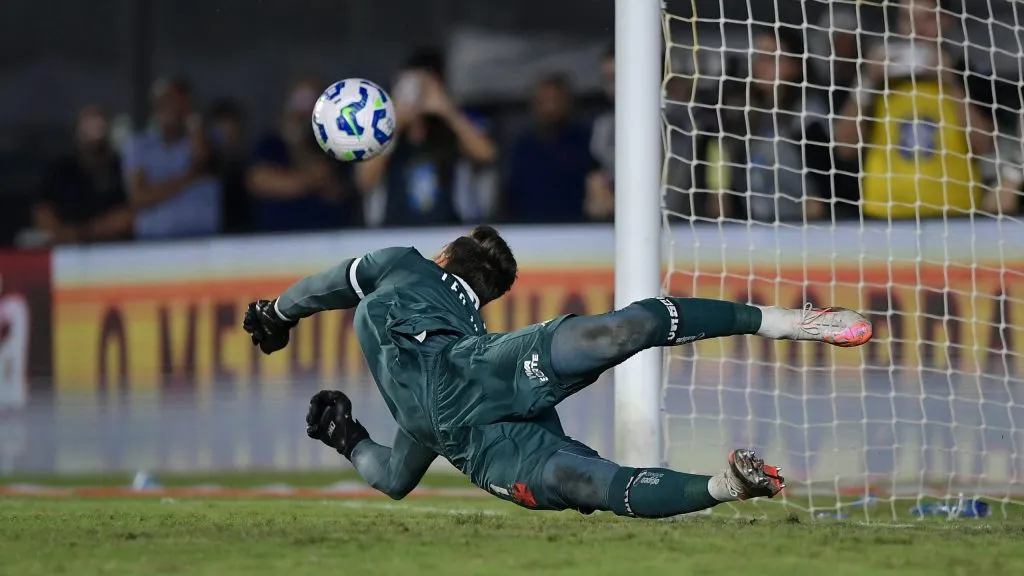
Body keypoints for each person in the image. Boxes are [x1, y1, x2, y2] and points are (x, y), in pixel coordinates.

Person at [242, 226, 873, 518]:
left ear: (443, 258)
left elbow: (328, 284)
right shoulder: (438, 376)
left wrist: (276, 311)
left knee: (612, 360)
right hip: (477, 422)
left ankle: (790, 322)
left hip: (475, 393)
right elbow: (396, 478)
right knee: (584, 478)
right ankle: (728, 487)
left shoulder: (404, 264)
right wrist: (348, 439)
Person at [833, 0, 994, 219]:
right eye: (906, 19)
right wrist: (867, 81)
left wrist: (951, 82)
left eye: (925, 18)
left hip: (956, 215)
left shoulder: (967, 75)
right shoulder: (878, 80)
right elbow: (845, 147)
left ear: (946, 20)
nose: (915, 28)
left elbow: (984, 146)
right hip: (885, 214)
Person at [356, 48, 498, 227]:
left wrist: (446, 109)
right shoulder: (385, 131)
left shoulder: (452, 129)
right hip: (395, 234)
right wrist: (395, 121)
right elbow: (364, 181)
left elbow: (487, 154)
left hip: (447, 235)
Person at [246, 80, 356, 232]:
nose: (304, 110)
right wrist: (306, 181)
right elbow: (259, 181)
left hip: (326, 236)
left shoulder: (333, 143)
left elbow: (333, 188)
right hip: (276, 238)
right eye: (300, 100)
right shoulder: (270, 143)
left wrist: (298, 146)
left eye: (312, 101)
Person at [122, 77, 222, 239]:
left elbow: (203, 162)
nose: (170, 109)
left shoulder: (210, 138)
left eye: (177, 102)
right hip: (153, 243)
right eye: (163, 103)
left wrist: (193, 122)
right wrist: (188, 178)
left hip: (204, 243)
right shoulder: (138, 145)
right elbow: (138, 198)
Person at [33, 105, 133, 244]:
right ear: (77, 132)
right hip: (64, 249)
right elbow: (42, 210)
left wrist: (86, 232)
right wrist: (62, 234)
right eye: (87, 127)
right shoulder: (60, 169)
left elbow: (129, 215)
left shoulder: (122, 167)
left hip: (113, 250)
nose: (93, 132)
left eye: (98, 127)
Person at [506, 73, 593, 223]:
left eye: (555, 101)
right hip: (527, 229)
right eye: (543, 101)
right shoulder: (522, 147)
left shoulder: (586, 143)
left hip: (577, 228)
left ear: (568, 103)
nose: (550, 108)